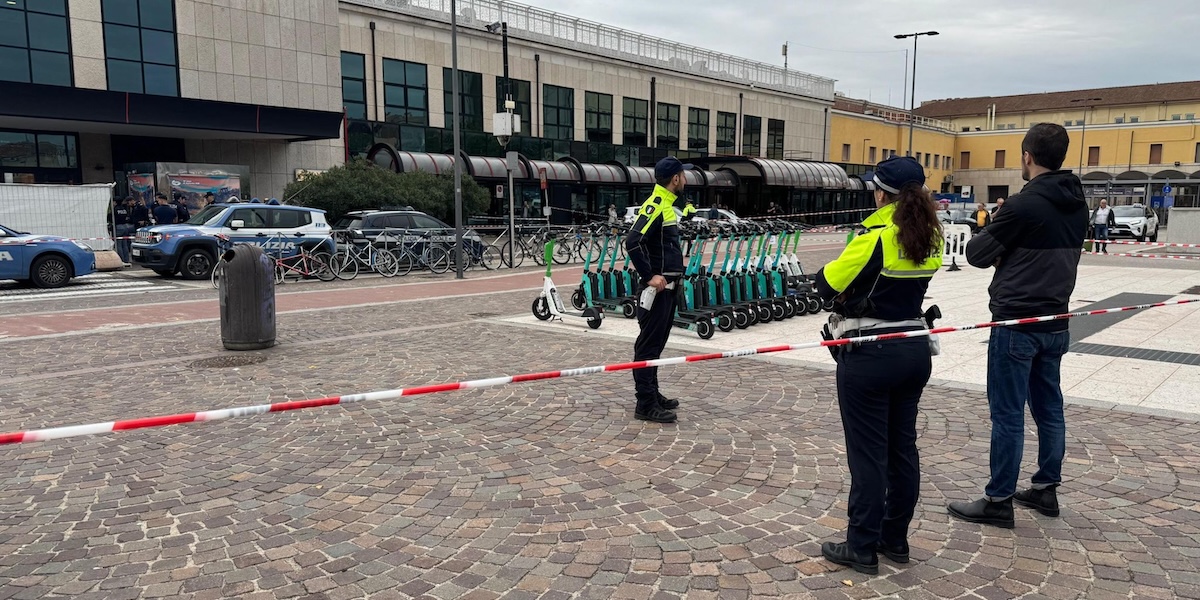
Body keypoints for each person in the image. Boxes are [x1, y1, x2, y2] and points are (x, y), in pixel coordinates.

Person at [948, 123, 1088, 529]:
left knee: (1007, 413)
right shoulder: (1078, 203)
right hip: (1056, 319)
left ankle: (998, 499)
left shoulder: (1023, 205)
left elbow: (975, 254)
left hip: (1016, 320)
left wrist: (995, 226)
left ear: (1027, 156)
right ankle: (1046, 489)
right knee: (1049, 407)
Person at [813, 156, 943, 575]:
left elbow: (827, 284)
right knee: (902, 449)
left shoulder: (876, 236)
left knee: (868, 454)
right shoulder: (930, 235)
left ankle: (861, 546)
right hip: (914, 347)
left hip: (870, 353)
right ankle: (895, 539)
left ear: (882, 192)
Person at [625, 156, 690, 424]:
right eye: (683, 175)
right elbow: (633, 242)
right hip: (658, 291)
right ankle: (645, 403)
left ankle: (653, 393)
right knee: (648, 347)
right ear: (675, 179)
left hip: (670, 289)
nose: (686, 179)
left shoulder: (668, 203)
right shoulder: (655, 205)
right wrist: (649, 275)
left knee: (656, 345)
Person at [112, 196, 135, 264]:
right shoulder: (124, 209)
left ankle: (121, 260)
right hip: (125, 226)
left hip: (118, 226)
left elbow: (113, 218)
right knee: (124, 244)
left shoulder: (115, 209)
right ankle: (126, 259)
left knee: (119, 244)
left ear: (115, 202)